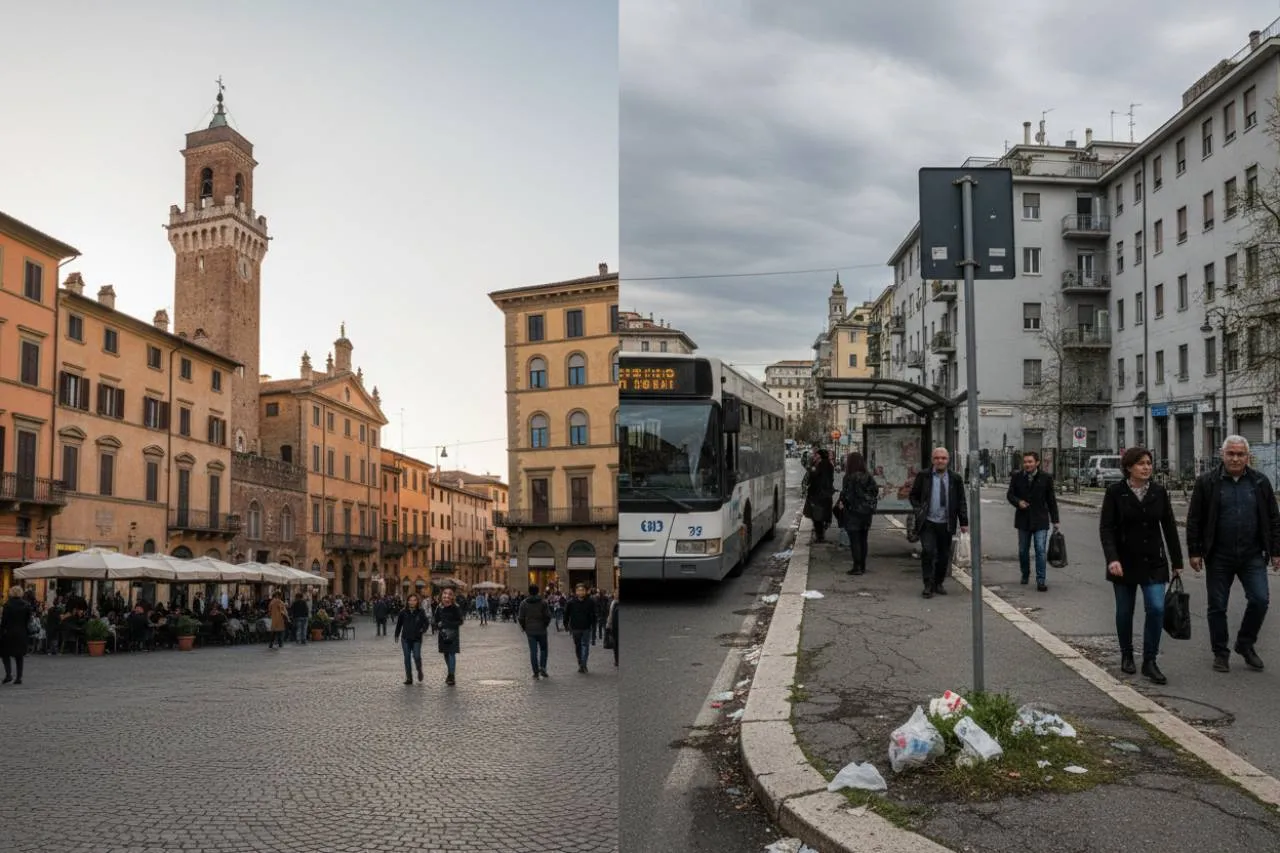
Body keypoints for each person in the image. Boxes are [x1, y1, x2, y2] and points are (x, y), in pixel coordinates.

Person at [1186, 435, 1280, 673]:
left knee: (1260, 600)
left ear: (1248, 457)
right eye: (1231, 454)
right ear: (1222, 454)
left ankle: (1245, 644)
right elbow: (1194, 519)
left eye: (1240, 454)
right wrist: (1194, 551)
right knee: (1217, 606)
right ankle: (1220, 652)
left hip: (1252, 555)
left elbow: (1273, 519)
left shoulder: (1260, 482)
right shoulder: (1207, 483)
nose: (1235, 458)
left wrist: (1276, 551)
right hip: (1219, 555)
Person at [1099, 446, 1184, 684]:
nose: (1147, 467)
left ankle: (1150, 660)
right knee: (1125, 611)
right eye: (1141, 463)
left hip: (1153, 561)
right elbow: (1106, 528)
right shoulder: (1115, 492)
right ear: (1128, 467)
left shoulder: (1159, 492)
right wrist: (1112, 558)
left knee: (1156, 608)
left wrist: (1177, 561)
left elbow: (1168, 526)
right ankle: (1127, 654)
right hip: (1123, 562)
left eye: (1149, 463)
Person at [909, 447, 969, 599]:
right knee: (928, 552)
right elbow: (913, 496)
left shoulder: (955, 478)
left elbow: (961, 500)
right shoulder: (924, 476)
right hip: (928, 521)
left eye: (943, 458)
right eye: (937, 458)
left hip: (946, 522)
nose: (940, 461)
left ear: (948, 460)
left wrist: (963, 522)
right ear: (932, 460)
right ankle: (928, 585)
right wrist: (919, 510)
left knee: (944, 555)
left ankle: (938, 582)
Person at [1007, 450, 1061, 591]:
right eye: (1025, 462)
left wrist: (1055, 520)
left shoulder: (1046, 478)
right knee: (1023, 550)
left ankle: (1041, 580)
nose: (1027, 464)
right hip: (1023, 520)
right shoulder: (1017, 477)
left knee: (1040, 550)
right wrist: (1018, 502)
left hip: (1040, 520)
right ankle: (1025, 573)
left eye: (1030, 461)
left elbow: (1051, 500)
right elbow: (1010, 495)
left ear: (1037, 463)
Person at [836, 452, 879, 575]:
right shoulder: (868, 476)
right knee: (863, 539)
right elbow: (875, 491)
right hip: (866, 512)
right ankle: (863, 565)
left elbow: (846, 495)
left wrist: (843, 502)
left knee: (854, 540)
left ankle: (857, 566)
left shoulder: (849, 477)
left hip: (853, 512)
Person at [517, 584, 552, 679]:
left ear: (529, 591)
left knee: (533, 651)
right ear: (538, 591)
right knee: (544, 649)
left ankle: (535, 672)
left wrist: (524, 627)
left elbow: (520, 617)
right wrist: (545, 625)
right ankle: (543, 667)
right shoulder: (543, 602)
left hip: (530, 630)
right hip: (542, 630)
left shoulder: (524, 603)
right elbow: (548, 616)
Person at [394, 593, 429, 685]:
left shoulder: (421, 612)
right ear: (407, 601)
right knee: (407, 658)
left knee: (417, 656)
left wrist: (423, 630)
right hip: (405, 638)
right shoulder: (403, 612)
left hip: (417, 638)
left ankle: (419, 670)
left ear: (417, 602)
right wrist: (396, 635)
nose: (412, 602)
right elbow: (399, 625)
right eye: (410, 600)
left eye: (414, 600)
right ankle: (409, 678)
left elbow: (426, 623)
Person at [1, 586, 32, 684]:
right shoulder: (26, 605)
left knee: (5, 654)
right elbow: (28, 620)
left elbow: (4, 621)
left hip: (9, 633)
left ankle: (8, 674)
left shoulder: (7, 605)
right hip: (22, 632)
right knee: (19, 656)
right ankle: (19, 677)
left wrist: (2, 630)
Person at [563, 583, 597, 673]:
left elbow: (593, 615)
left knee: (585, 645)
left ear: (586, 591)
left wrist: (593, 625)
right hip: (575, 628)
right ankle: (580, 663)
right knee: (578, 646)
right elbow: (566, 614)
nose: (581, 592)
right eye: (579, 590)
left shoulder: (590, 602)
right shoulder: (571, 602)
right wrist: (566, 624)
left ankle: (583, 664)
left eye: (582, 590)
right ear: (576, 592)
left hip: (586, 627)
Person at [805, 448, 836, 543]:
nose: (814, 456)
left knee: (817, 516)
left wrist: (811, 466)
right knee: (820, 515)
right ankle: (821, 534)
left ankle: (820, 536)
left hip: (819, 494)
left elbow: (813, 475)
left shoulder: (822, 464)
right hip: (824, 494)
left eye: (816, 455)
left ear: (820, 456)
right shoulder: (826, 464)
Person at [434, 587, 464, 685]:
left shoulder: (455, 607)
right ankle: (450, 672)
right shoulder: (439, 607)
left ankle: (451, 676)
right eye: (445, 593)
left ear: (452, 597)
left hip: (452, 634)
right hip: (443, 634)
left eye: (449, 594)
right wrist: (438, 624)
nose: (446, 595)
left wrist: (448, 624)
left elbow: (460, 621)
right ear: (442, 596)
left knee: (451, 653)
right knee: (446, 654)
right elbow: (435, 620)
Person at [605, 590, 619, 667]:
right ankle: (617, 660)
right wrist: (608, 625)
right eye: (615, 593)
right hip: (615, 627)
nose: (616, 594)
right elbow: (610, 615)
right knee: (616, 645)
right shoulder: (613, 603)